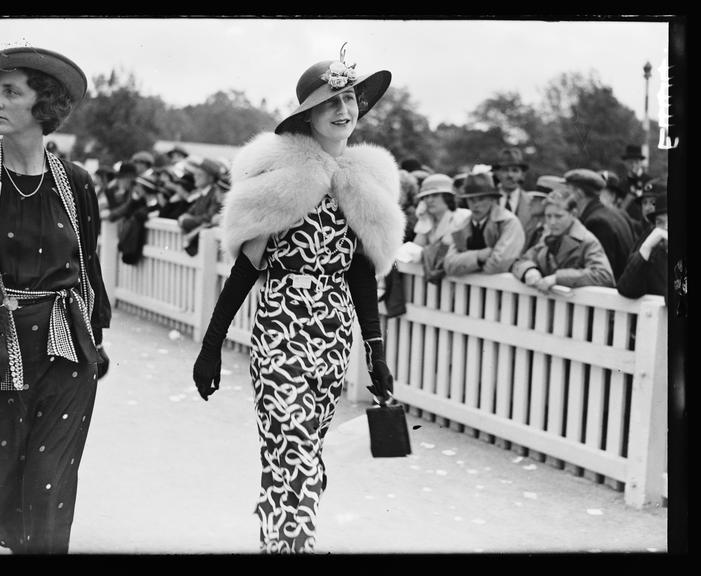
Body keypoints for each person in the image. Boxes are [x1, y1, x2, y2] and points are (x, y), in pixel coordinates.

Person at [192, 46, 402, 553]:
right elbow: (247, 268)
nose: (342, 110)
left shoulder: (363, 184)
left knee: (304, 450)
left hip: (332, 336)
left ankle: (277, 540)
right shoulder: (281, 178)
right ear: (307, 115)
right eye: (329, 101)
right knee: (291, 448)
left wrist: (376, 354)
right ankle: (298, 546)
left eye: (349, 98)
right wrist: (211, 343)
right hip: (281, 328)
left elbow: (360, 277)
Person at [0, 46, 111, 554]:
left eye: (12, 91)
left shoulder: (75, 182)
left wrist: (94, 340)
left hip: (65, 349)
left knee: (50, 483)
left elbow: (88, 266)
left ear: (43, 104)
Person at [511, 189, 615, 292]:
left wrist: (558, 278)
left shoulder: (587, 241)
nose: (552, 222)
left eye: (558, 216)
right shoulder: (546, 237)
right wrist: (529, 270)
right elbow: (521, 260)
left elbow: (604, 275)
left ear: (573, 214)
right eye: (548, 216)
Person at [443, 172, 525, 276]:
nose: (476, 204)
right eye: (471, 199)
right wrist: (479, 256)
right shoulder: (461, 226)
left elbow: (498, 265)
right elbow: (449, 265)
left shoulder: (508, 222)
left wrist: (466, 266)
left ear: (492, 199)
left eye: (481, 199)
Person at [564, 169, 634, 280]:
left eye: (567, 193)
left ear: (579, 194)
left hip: (606, 294)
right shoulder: (620, 214)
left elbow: (601, 272)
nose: (564, 198)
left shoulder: (596, 222)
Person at [412, 173, 470, 281]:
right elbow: (416, 249)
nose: (429, 200)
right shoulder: (427, 221)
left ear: (447, 197)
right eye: (426, 197)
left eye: (435, 195)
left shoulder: (462, 217)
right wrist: (424, 221)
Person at [617, 193, 668, 300]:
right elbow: (627, 289)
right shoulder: (653, 253)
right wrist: (646, 248)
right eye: (660, 222)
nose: (666, 227)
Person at [492, 147, 538, 243]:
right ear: (497, 174)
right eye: (505, 170)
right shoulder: (487, 201)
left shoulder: (532, 203)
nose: (510, 175)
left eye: (515, 170)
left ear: (522, 175)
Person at [618, 144, 652, 221]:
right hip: (626, 226)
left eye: (636, 162)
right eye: (630, 162)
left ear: (641, 163)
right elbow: (617, 210)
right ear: (625, 163)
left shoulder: (650, 182)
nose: (633, 165)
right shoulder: (621, 185)